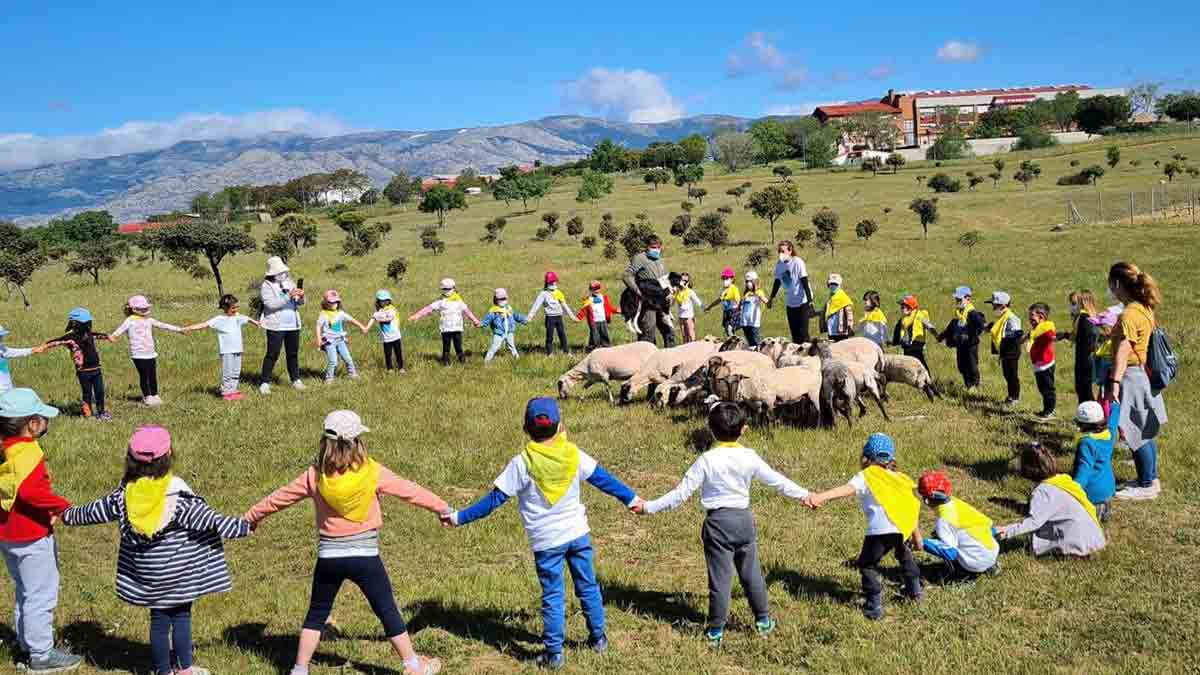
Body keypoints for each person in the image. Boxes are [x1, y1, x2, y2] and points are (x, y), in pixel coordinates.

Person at [245, 411, 447, 675]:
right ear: (357, 442)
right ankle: (413, 665)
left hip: (329, 558)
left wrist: (251, 517)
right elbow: (410, 490)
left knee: (316, 614)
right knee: (387, 610)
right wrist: (442, 508)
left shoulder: (314, 476)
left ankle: (299, 669)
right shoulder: (373, 472)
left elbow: (278, 498)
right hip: (366, 558)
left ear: (324, 443)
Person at [444, 398, 639, 669]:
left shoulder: (522, 463)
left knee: (553, 596)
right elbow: (605, 480)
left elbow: (493, 501)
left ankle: (554, 655)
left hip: (547, 543)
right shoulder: (573, 453)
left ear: (526, 428)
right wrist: (632, 499)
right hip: (578, 535)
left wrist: (459, 517)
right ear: (560, 425)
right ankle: (599, 640)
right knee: (589, 587)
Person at [61, 425, 250, 675]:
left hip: (149, 577)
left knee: (159, 623)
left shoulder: (124, 495)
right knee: (182, 617)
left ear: (130, 460)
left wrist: (67, 515)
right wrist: (243, 526)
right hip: (179, 576)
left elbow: (94, 511)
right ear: (169, 454)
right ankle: (184, 669)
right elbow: (211, 520)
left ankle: (162, 671)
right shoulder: (178, 496)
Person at [632, 403, 810, 646]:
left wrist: (648, 507)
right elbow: (776, 480)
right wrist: (805, 495)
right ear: (744, 429)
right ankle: (763, 621)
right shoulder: (749, 456)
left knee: (720, 579)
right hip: (744, 521)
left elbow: (680, 494)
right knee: (752, 574)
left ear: (710, 430)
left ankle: (716, 631)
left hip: (717, 524)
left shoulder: (706, 460)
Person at [0, 388, 82, 673]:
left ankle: (26, 643)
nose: (47, 423)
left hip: (8, 533)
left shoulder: (5, 448)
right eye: (43, 418)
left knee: (25, 590)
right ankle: (41, 654)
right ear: (31, 424)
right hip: (31, 534)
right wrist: (61, 506)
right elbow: (31, 492)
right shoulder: (28, 453)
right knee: (41, 594)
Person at [809, 433, 922, 620]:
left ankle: (874, 605)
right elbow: (911, 508)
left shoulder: (866, 475)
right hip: (902, 528)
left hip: (879, 531)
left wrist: (820, 496)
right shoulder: (901, 478)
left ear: (866, 457)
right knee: (904, 556)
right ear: (891, 458)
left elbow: (846, 490)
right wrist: (917, 537)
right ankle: (915, 592)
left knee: (868, 565)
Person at [1106, 262, 1167, 501]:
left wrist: (1115, 381)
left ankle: (1146, 485)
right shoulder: (1143, 308)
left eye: (1110, 283)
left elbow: (1124, 348)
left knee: (1134, 430)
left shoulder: (1130, 312)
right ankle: (1149, 477)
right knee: (1144, 429)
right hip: (1142, 372)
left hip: (1131, 375)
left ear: (1118, 284)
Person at [996, 442, 1105, 557]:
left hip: (1079, 544)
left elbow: (1033, 522)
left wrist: (1005, 531)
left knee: (1034, 540)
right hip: (1094, 538)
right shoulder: (1062, 480)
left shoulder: (1043, 491)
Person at [914, 471, 999, 583]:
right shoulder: (957, 503)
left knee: (945, 549)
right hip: (993, 552)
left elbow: (950, 553)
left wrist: (924, 543)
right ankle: (990, 567)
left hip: (975, 563)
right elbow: (988, 527)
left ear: (927, 500)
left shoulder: (944, 520)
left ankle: (964, 577)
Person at [107, 295, 184, 407]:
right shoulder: (129, 321)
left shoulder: (149, 320)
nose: (145, 310)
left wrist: (180, 330)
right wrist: (113, 336)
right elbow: (119, 330)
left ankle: (155, 394)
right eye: (142, 309)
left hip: (151, 353)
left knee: (152, 374)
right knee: (144, 375)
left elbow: (164, 326)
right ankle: (147, 396)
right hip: (138, 354)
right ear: (133, 309)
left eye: (145, 308)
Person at [183, 294, 261, 401]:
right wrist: (190, 328)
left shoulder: (237, 316)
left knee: (236, 371)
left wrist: (255, 322)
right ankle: (226, 392)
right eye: (233, 308)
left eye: (236, 307)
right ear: (225, 308)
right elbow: (205, 324)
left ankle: (233, 390)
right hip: (227, 351)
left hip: (238, 349)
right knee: (228, 372)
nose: (236, 309)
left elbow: (246, 318)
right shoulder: (219, 319)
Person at [42, 307, 112, 420]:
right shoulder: (71, 338)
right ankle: (88, 414)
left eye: (89, 322)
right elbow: (56, 341)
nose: (88, 324)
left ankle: (101, 412)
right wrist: (43, 346)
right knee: (87, 393)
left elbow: (97, 335)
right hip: (83, 371)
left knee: (100, 392)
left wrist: (108, 336)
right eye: (86, 322)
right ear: (75, 323)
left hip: (96, 369)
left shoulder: (89, 334)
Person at [258, 256, 306, 395]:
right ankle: (264, 382)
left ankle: (295, 379)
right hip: (276, 326)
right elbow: (271, 304)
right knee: (272, 354)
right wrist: (288, 296)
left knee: (293, 353)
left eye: (283, 272)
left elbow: (299, 303)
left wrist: (301, 296)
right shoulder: (266, 286)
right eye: (280, 273)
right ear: (272, 273)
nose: (283, 275)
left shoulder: (289, 282)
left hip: (293, 324)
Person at [409, 278, 480, 366]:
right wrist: (417, 315)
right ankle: (446, 362)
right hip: (446, 329)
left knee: (458, 346)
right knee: (446, 347)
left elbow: (467, 312)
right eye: (445, 289)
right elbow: (428, 309)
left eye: (448, 289)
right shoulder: (441, 301)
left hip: (457, 328)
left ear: (454, 288)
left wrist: (475, 320)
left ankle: (462, 360)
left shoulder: (459, 301)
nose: (447, 291)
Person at [622, 236, 675, 347]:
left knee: (669, 330)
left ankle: (670, 357)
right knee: (648, 331)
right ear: (647, 247)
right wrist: (637, 291)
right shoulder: (640, 258)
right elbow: (627, 275)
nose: (656, 250)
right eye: (653, 247)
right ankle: (646, 360)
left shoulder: (660, 260)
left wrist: (670, 293)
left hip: (661, 300)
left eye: (658, 247)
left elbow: (665, 279)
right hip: (647, 301)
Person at [1072, 401, 1118, 521]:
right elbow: (1114, 420)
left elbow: (1084, 470)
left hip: (1092, 493)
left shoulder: (1087, 443)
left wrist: (1071, 490)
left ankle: (1094, 512)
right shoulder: (1109, 434)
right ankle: (1103, 509)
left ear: (1083, 425)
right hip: (1108, 488)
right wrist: (1115, 404)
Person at [767, 240, 815, 344]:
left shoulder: (797, 262)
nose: (781, 254)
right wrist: (771, 298)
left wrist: (810, 302)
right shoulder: (779, 265)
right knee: (795, 333)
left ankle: (809, 357)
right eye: (779, 251)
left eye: (783, 251)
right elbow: (777, 282)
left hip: (803, 301)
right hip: (790, 302)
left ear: (790, 251)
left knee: (803, 333)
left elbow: (804, 282)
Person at [938, 286, 987, 389]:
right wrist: (942, 336)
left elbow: (981, 325)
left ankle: (974, 385)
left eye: (959, 299)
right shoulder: (958, 313)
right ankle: (968, 384)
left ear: (968, 298)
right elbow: (951, 327)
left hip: (970, 345)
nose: (957, 301)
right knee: (962, 366)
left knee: (972, 365)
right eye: (956, 299)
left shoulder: (972, 313)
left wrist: (975, 333)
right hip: (960, 345)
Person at [315, 290, 367, 384]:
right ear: (326, 303)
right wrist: (319, 340)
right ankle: (329, 379)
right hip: (329, 342)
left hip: (340, 340)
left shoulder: (340, 313)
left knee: (348, 359)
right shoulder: (323, 314)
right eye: (331, 302)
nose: (334, 304)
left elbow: (352, 320)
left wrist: (362, 327)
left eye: (336, 302)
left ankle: (352, 374)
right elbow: (318, 326)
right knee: (333, 361)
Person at [1057, 290, 1099, 404]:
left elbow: (1089, 338)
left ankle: (1089, 413)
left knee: (1083, 388)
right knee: (1082, 387)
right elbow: (1079, 337)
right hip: (1084, 357)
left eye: (1075, 303)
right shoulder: (1085, 318)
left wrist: (1090, 350)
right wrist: (1065, 335)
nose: (1072, 307)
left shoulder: (1085, 318)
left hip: (1085, 358)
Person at [985, 291, 1023, 407]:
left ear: (1003, 305)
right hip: (1005, 351)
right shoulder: (1001, 318)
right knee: (1007, 374)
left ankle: (1015, 397)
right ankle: (1010, 396)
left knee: (1012, 375)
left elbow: (1017, 332)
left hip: (1011, 352)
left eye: (995, 306)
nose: (993, 308)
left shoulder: (1011, 318)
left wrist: (1013, 336)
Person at [528, 272, 578, 356]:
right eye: (551, 282)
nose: (553, 283)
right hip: (550, 318)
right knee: (549, 336)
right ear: (547, 282)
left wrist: (572, 317)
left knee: (562, 335)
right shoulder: (543, 294)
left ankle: (566, 351)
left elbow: (564, 306)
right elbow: (536, 305)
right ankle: (549, 353)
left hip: (559, 317)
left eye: (554, 281)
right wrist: (530, 316)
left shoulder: (558, 292)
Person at [1025, 302, 1057, 421]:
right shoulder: (1036, 328)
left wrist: (1054, 336)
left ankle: (1050, 411)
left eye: (1032, 317)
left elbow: (1051, 335)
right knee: (1042, 389)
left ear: (1041, 316)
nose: (1030, 320)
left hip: (1046, 365)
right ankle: (1046, 409)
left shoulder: (1046, 329)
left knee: (1048, 389)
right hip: (1038, 365)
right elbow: (1030, 336)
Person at [482, 288, 528, 363]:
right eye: (501, 299)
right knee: (494, 347)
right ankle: (486, 361)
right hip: (499, 333)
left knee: (512, 346)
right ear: (496, 299)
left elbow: (515, 316)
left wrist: (524, 319)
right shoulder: (494, 311)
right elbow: (487, 320)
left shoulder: (508, 308)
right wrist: (481, 324)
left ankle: (518, 360)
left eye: (504, 298)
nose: (503, 301)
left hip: (509, 332)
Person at [364, 290, 404, 373]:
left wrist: (379, 318)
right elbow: (373, 318)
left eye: (386, 300)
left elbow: (389, 319)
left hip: (396, 336)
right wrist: (366, 328)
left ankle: (401, 368)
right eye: (382, 300)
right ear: (378, 301)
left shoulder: (392, 309)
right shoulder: (378, 312)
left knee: (398, 353)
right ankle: (390, 369)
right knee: (387, 354)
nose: (384, 302)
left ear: (389, 300)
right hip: (386, 338)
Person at [892, 294, 934, 372]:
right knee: (909, 366)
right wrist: (893, 342)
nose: (901, 309)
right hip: (906, 346)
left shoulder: (919, 316)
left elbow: (929, 326)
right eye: (901, 307)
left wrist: (937, 335)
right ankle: (917, 381)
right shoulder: (903, 319)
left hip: (916, 345)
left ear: (910, 307)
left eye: (903, 307)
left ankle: (927, 381)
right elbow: (898, 332)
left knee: (920, 364)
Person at [0, 326, 47, 395]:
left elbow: (15, 352)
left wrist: (33, 350)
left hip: (7, 390)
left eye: (1, 337)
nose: (1, 339)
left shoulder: (2, 350)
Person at [576, 281, 619, 351]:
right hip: (594, 321)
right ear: (590, 290)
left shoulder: (603, 298)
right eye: (594, 289)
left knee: (604, 333)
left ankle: (606, 346)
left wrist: (616, 310)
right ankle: (593, 347)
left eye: (598, 288)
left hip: (603, 320)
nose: (596, 290)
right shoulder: (588, 299)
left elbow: (609, 308)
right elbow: (584, 310)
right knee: (594, 335)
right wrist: (578, 318)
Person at [704, 267, 741, 338]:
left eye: (726, 278)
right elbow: (718, 300)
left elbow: (738, 300)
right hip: (726, 312)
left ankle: (734, 342)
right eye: (723, 278)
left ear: (732, 279)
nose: (724, 280)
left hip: (734, 312)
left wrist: (738, 309)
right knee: (727, 330)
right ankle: (732, 343)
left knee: (729, 329)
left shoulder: (734, 288)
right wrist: (709, 307)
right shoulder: (724, 290)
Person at [738, 271, 769, 348]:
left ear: (754, 281)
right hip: (745, 322)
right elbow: (741, 306)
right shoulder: (746, 293)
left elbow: (767, 302)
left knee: (756, 342)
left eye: (750, 281)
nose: (748, 283)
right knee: (750, 343)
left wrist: (763, 298)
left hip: (753, 323)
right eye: (746, 281)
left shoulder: (759, 292)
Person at [821, 274, 854, 342]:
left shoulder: (844, 298)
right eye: (831, 284)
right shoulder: (830, 299)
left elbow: (849, 314)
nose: (833, 286)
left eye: (835, 284)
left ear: (839, 285)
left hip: (841, 331)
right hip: (831, 331)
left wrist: (850, 327)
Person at [672, 273, 704, 343]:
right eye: (682, 280)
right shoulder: (677, 292)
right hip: (681, 317)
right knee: (684, 335)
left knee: (691, 334)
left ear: (688, 282)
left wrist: (703, 307)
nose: (683, 282)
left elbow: (697, 300)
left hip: (689, 317)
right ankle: (685, 350)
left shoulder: (690, 292)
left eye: (685, 281)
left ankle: (693, 348)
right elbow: (672, 302)